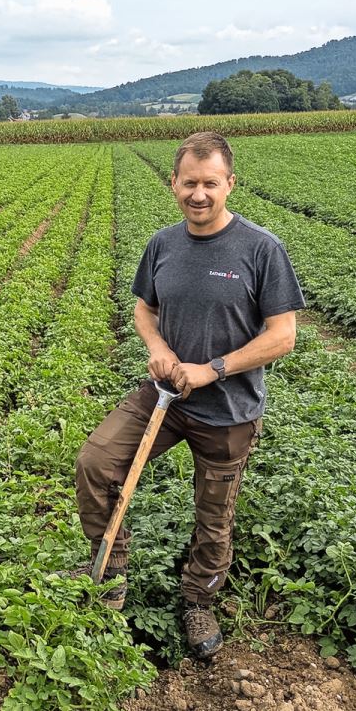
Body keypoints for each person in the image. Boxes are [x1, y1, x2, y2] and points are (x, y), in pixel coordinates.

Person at [72, 131, 305, 659]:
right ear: (174, 183)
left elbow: (282, 335)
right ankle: (108, 572)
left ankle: (199, 599)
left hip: (227, 411)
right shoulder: (163, 244)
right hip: (162, 396)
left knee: (214, 513)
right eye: (188, 183)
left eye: (210, 183)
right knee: (96, 461)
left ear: (230, 185)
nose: (198, 194)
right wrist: (156, 346)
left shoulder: (260, 249)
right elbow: (144, 310)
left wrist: (213, 369)